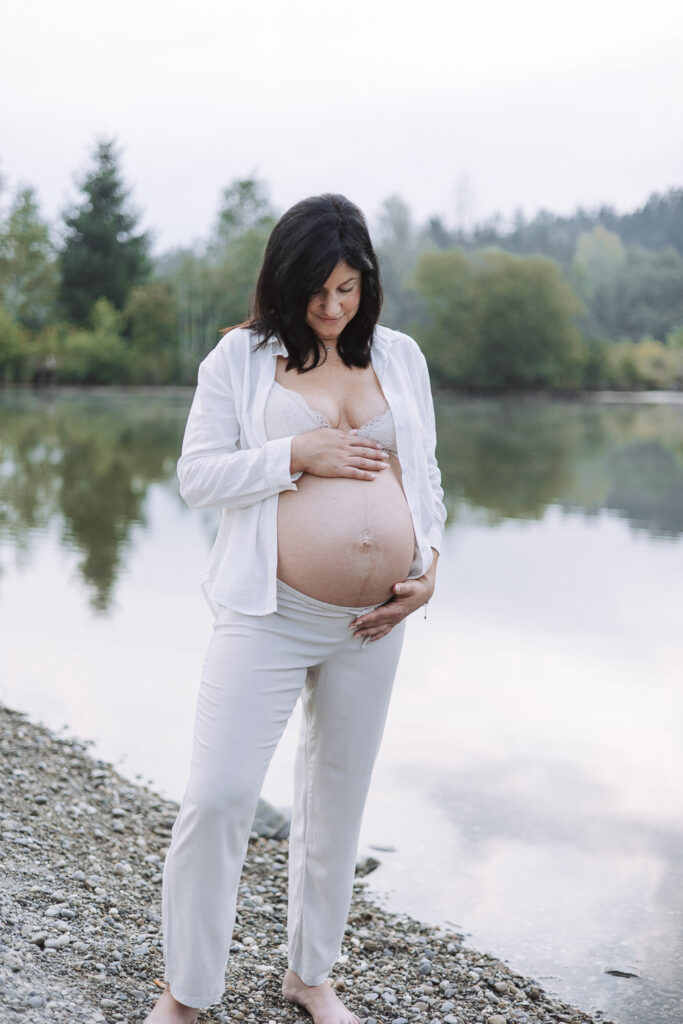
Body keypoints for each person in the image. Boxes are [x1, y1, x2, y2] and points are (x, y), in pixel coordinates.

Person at [145, 194, 447, 1024]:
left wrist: (429, 567)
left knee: (336, 800)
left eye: (348, 288)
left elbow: (423, 476)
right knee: (217, 795)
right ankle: (186, 993)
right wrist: (295, 453)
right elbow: (197, 476)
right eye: (316, 290)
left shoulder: (400, 357)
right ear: (284, 280)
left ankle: (310, 976)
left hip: (373, 624)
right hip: (267, 611)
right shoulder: (239, 359)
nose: (332, 307)